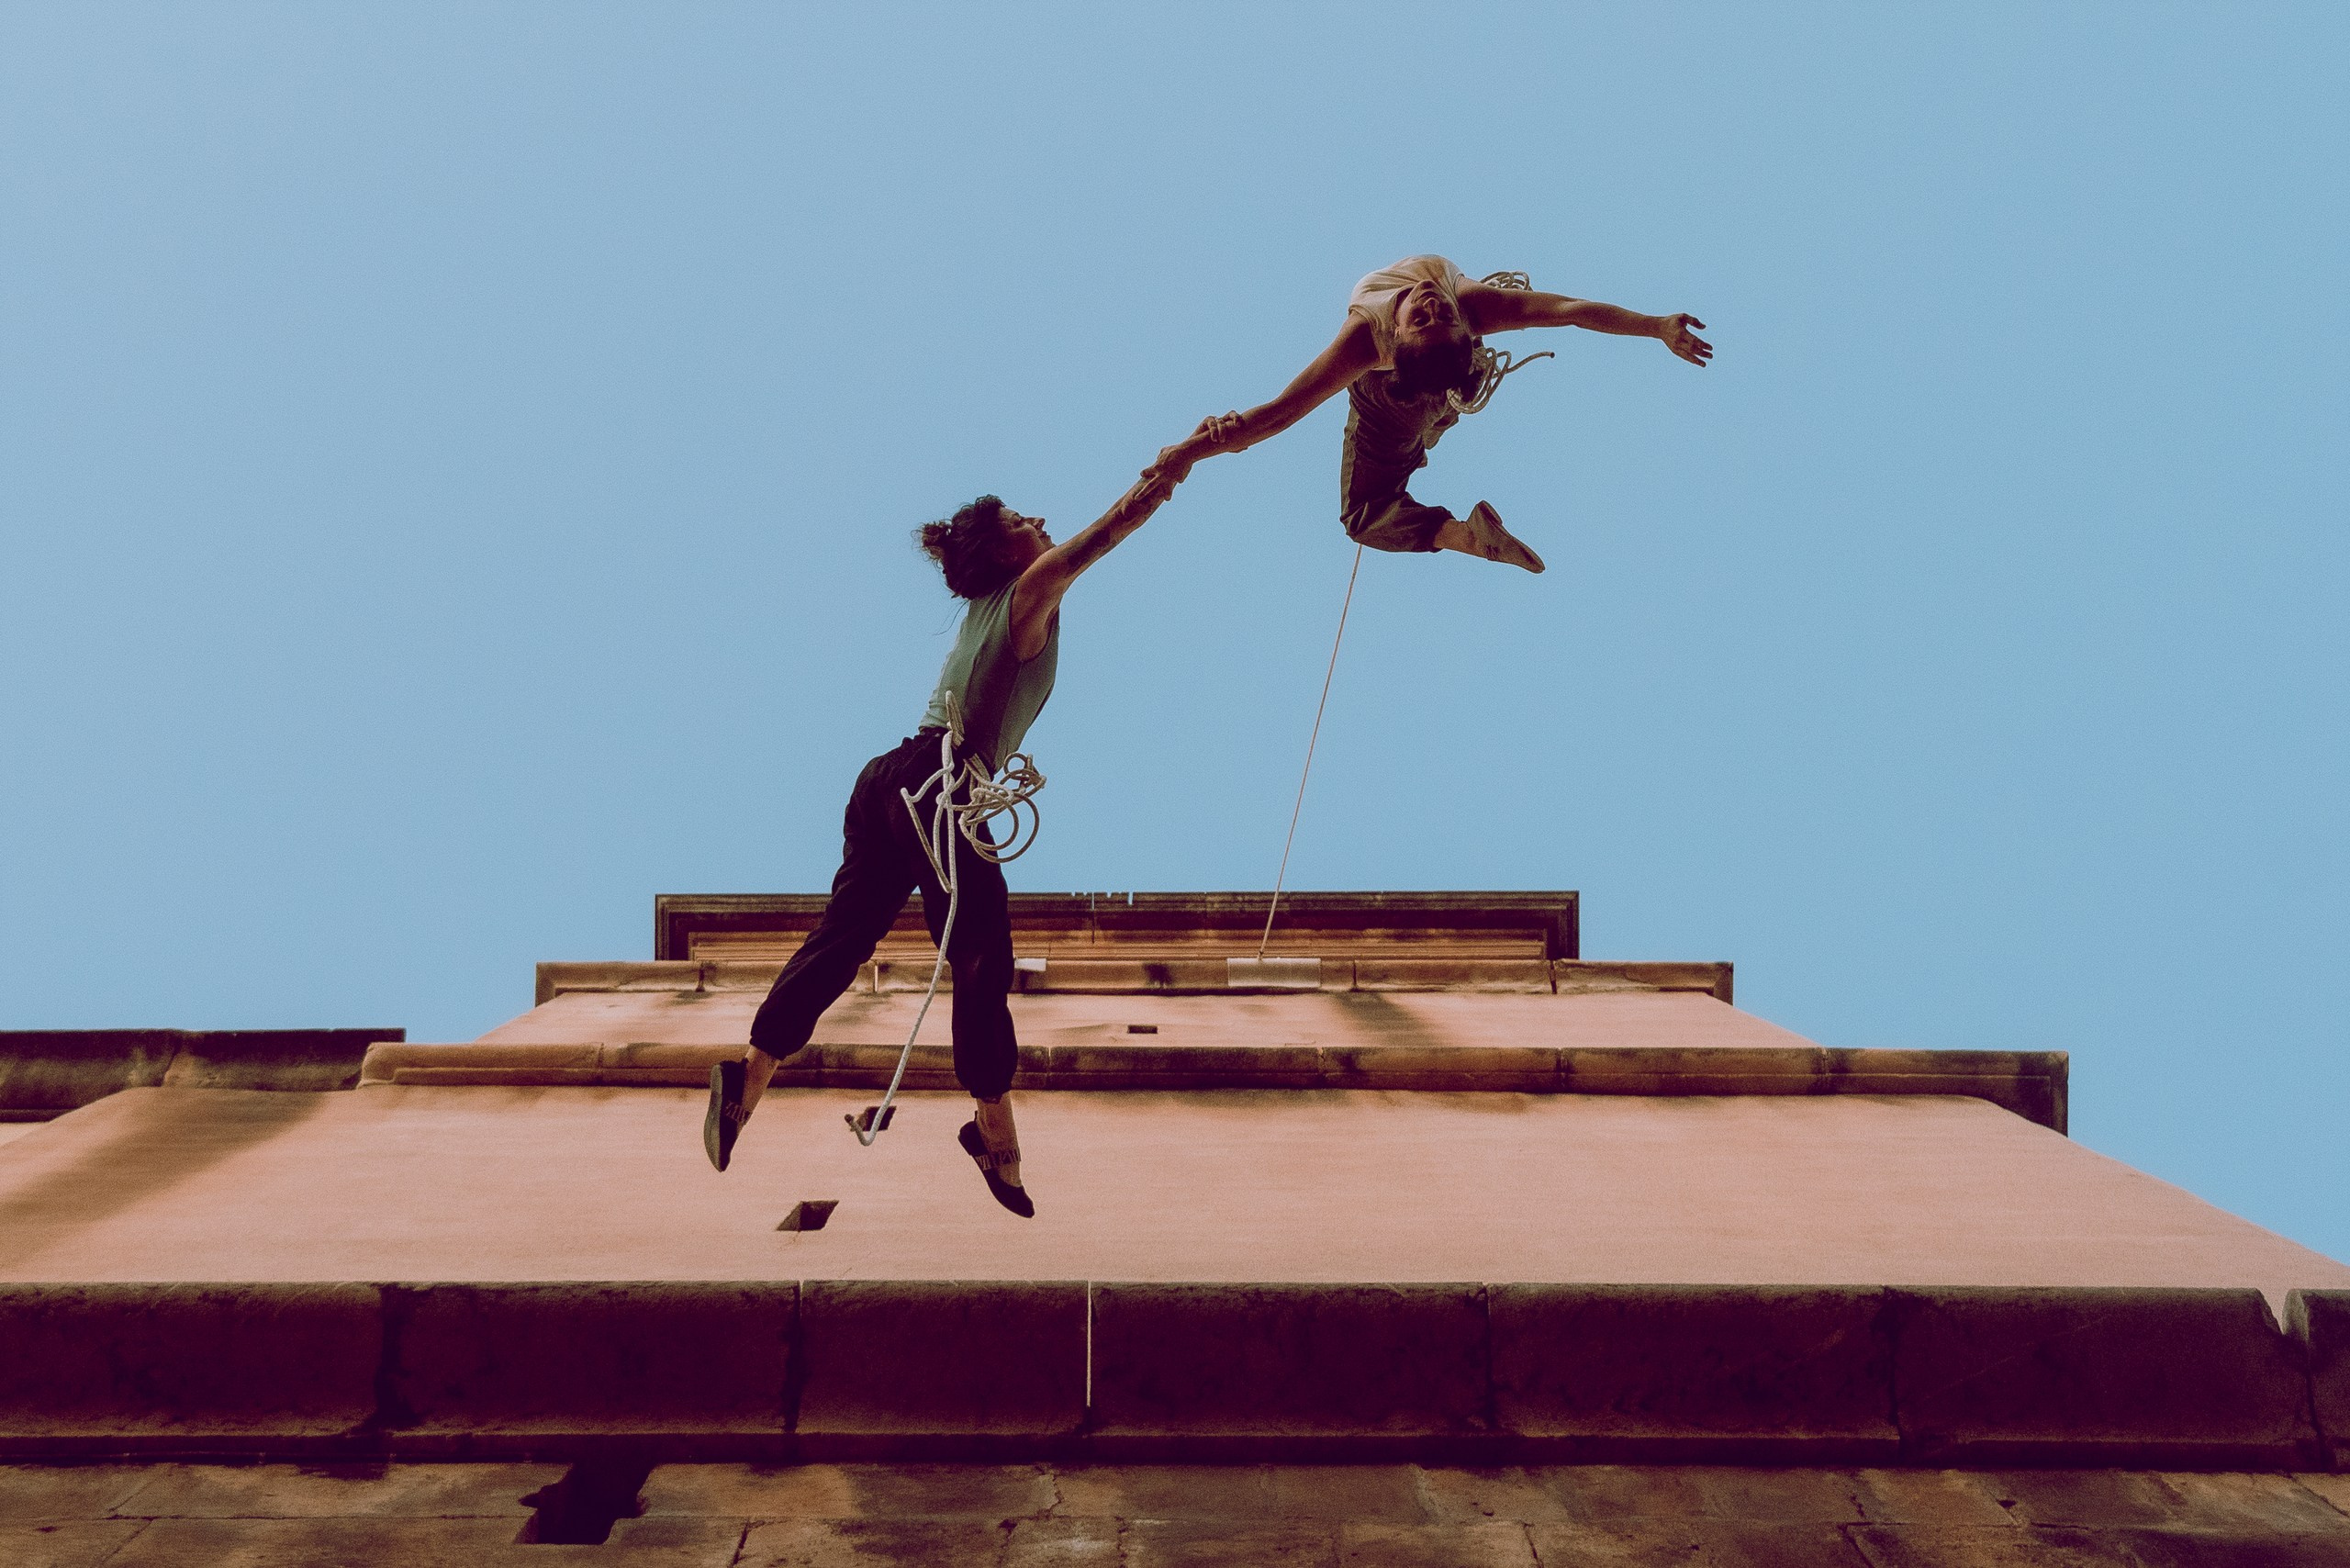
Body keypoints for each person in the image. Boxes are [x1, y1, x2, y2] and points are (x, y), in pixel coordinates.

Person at [703, 458, 1190, 1215]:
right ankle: (993, 1125)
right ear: (1007, 554)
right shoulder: (1028, 592)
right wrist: (1174, 468)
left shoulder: (986, 607)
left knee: (843, 936)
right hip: (941, 782)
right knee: (979, 948)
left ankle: (753, 1071)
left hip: (887, 780)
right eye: (1028, 525)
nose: (1043, 526)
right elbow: (1106, 533)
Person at [1157, 255, 1712, 573]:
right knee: (1389, 481)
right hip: (1420, 393)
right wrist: (1657, 324)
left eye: (1436, 313)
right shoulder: (1429, 321)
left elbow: (1570, 312)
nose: (1430, 301)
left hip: (1409, 398)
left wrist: (1655, 326)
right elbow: (1277, 416)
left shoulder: (1400, 330)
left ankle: (1462, 529)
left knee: (1364, 517)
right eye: (1431, 314)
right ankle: (1456, 446)